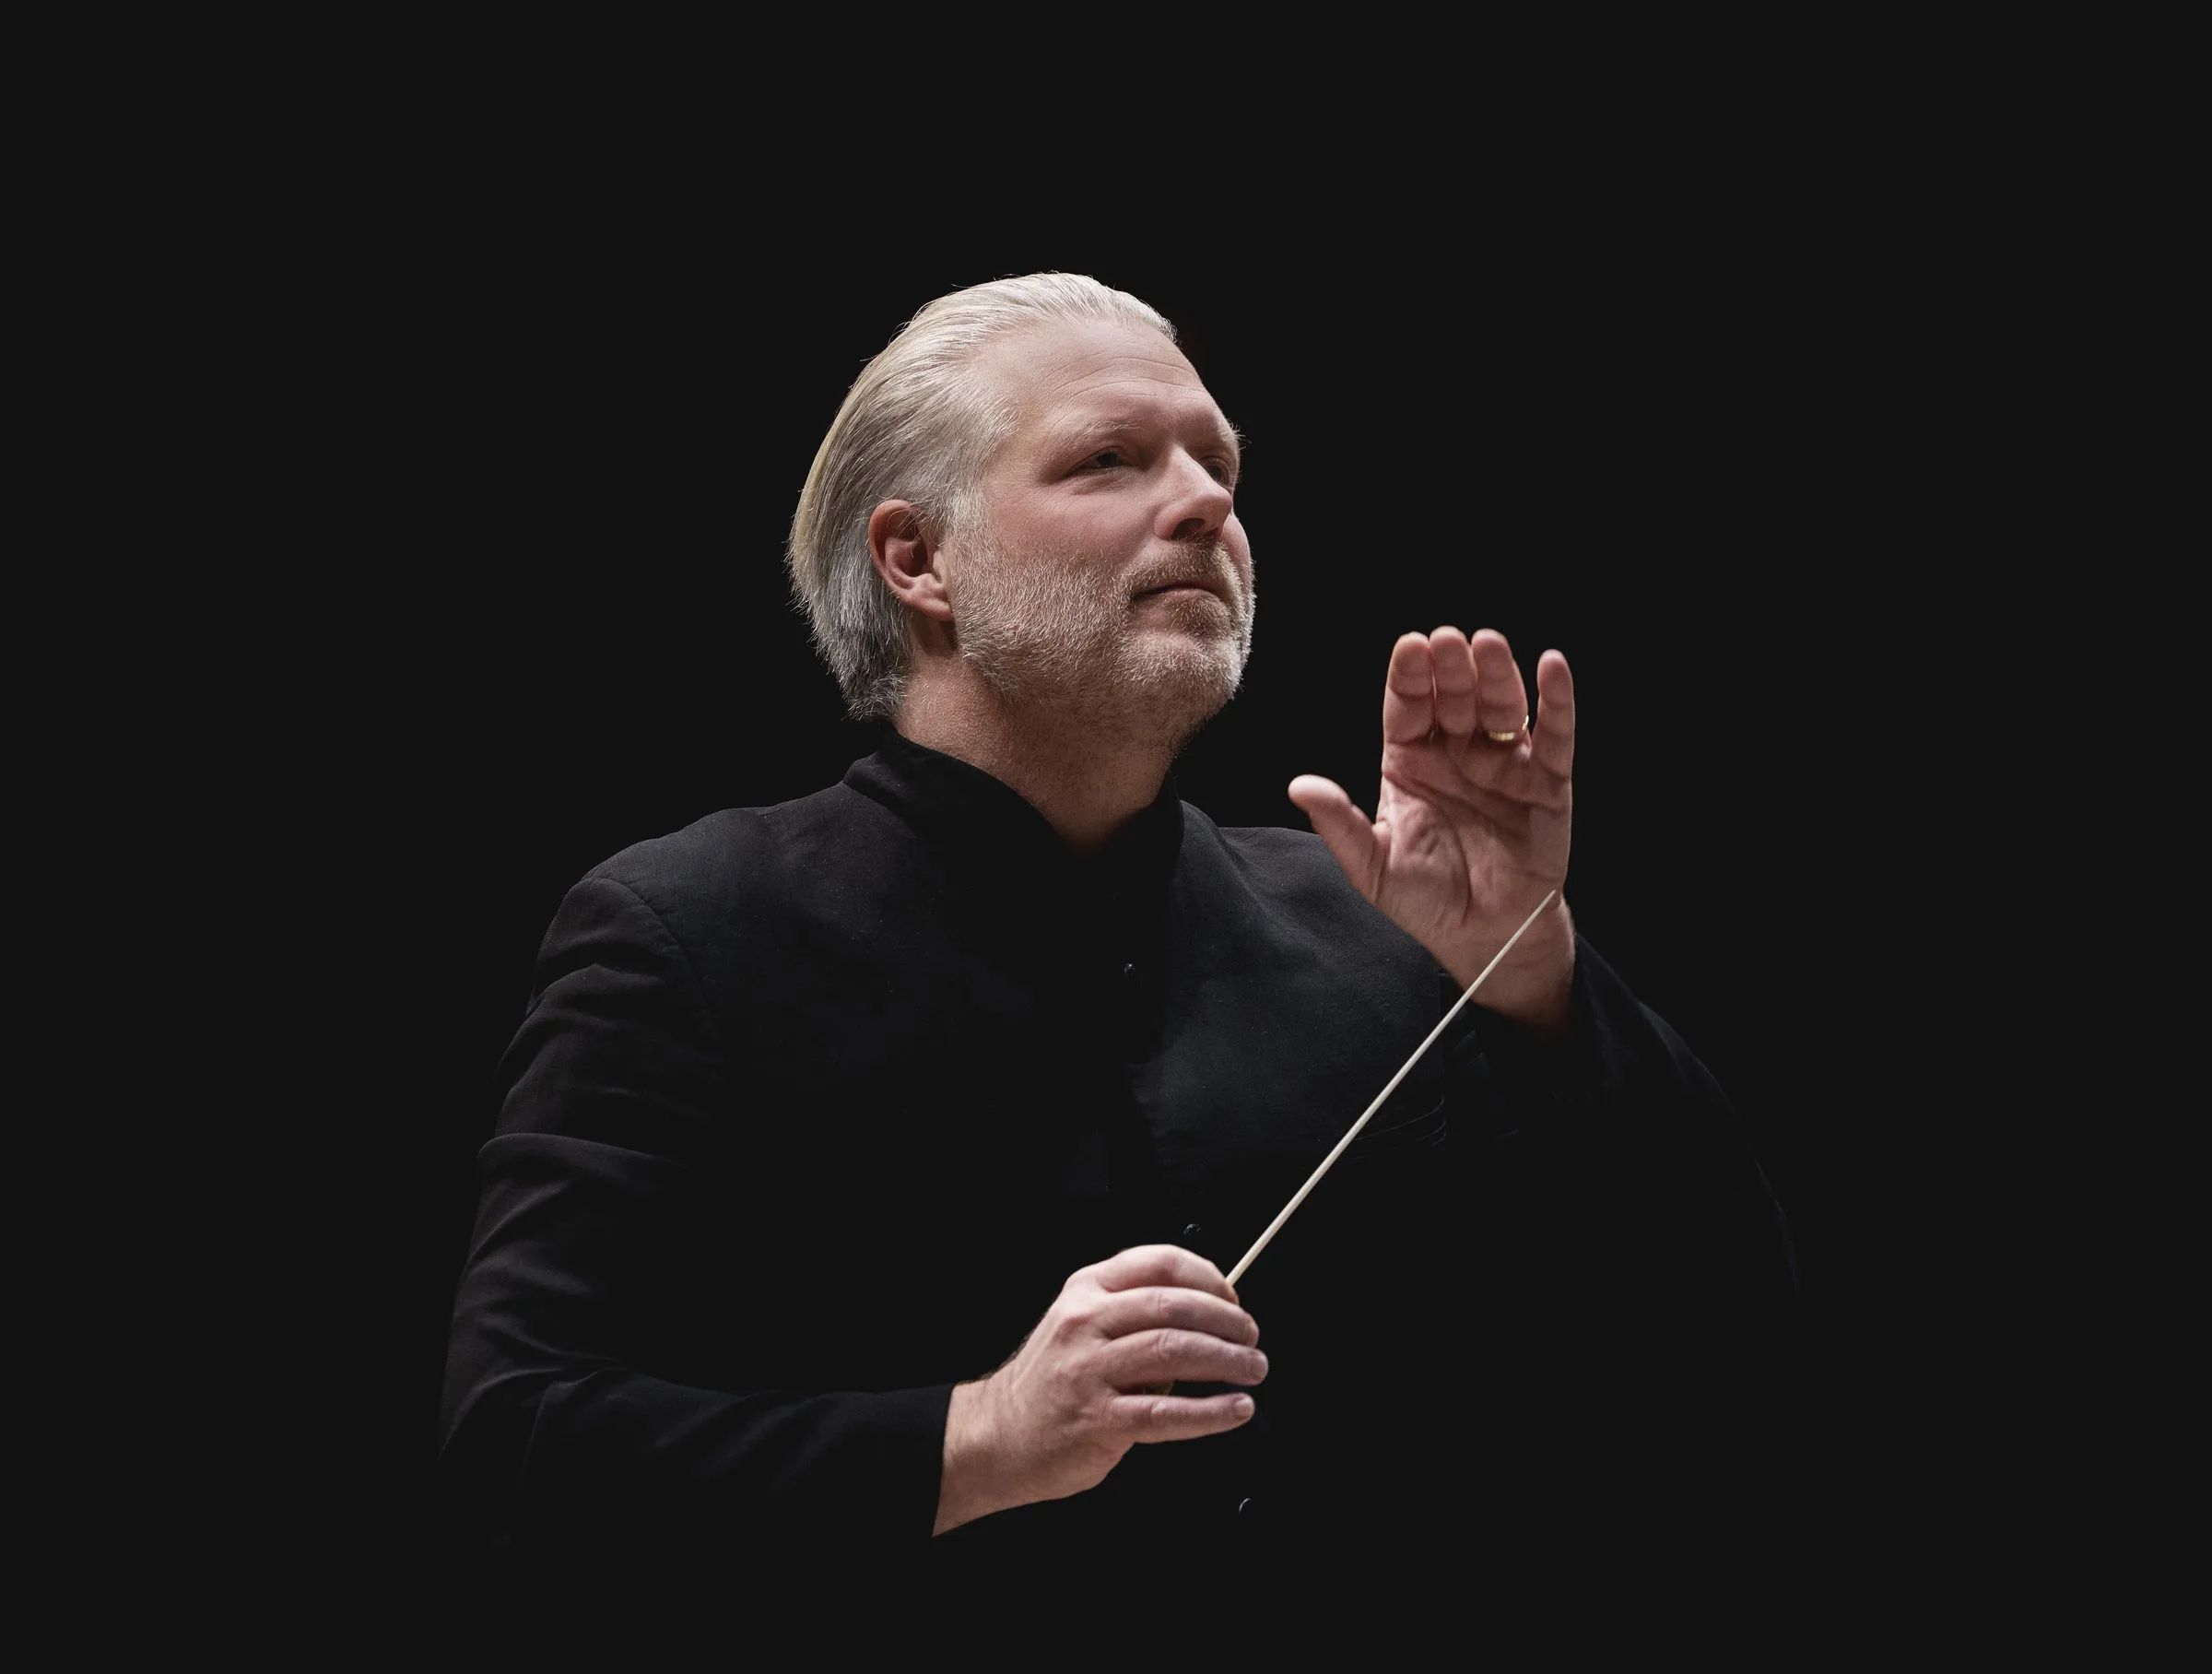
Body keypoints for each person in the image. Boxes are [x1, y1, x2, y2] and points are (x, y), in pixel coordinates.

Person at [439, 274, 1799, 1606]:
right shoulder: (688, 930)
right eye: (1108, 460)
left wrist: (1530, 962)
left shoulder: (1374, 912)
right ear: (919, 561)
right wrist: (981, 1437)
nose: (1207, 503)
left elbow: (1727, 1327)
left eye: (1219, 465)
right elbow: (519, 1451)